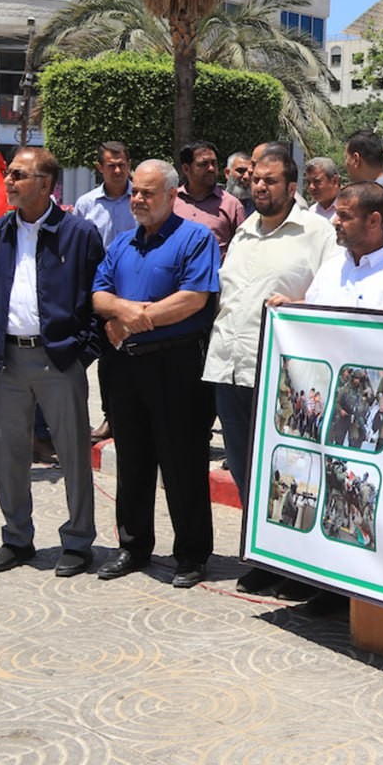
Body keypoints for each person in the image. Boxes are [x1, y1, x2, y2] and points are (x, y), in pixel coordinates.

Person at [203, 146, 338, 596]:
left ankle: (298, 566)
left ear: (292, 187)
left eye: (270, 180)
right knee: (246, 470)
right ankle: (264, 556)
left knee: (291, 472)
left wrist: (300, 307)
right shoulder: (244, 231)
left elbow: (332, 296)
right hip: (231, 367)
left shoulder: (317, 233)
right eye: (256, 179)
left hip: (286, 377)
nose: (259, 186)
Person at [0, 147, 104, 577]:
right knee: (8, 456)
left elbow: (98, 299)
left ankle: (78, 541)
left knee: (73, 454)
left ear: (45, 184)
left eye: (18, 175)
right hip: (6, 361)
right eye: (9, 174)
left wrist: (81, 354)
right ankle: (17, 537)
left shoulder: (79, 234)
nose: (9, 181)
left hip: (59, 361)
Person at [93, 159, 220, 589]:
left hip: (176, 364)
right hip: (126, 366)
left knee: (182, 461)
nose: (138, 199)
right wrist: (123, 311)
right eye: (135, 192)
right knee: (132, 460)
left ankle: (192, 554)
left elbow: (194, 298)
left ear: (171, 195)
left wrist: (131, 320)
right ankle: (133, 546)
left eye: (147, 193)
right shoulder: (123, 243)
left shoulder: (195, 238)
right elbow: (99, 295)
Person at [72, 140, 134, 445]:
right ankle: (110, 415)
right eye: (111, 165)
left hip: (136, 292)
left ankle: (132, 416)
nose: (118, 170)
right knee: (106, 358)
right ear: (100, 168)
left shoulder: (141, 198)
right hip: (99, 293)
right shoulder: (86, 204)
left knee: (134, 359)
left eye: (122, 164)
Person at [304, 181, 383, 311]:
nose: (336, 222)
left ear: (373, 221)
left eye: (344, 215)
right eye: (337, 214)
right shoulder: (329, 269)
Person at [174, 140, 246, 256]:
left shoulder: (231, 205)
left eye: (214, 163)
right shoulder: (171, 202)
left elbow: (243, 249)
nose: (211, 169)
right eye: (203, 164)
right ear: (186, 169)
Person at [303, 156, 342, 220]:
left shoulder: (351, 209)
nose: (311, 187)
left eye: (316, 181)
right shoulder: (311, 212)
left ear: (334, 181)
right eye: (308, 182)